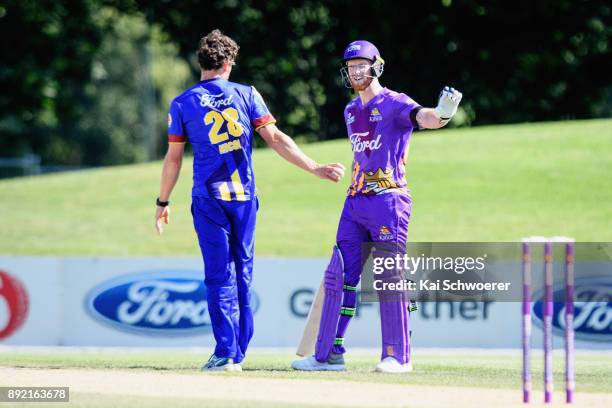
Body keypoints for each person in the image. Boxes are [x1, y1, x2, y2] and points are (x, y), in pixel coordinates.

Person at [155, 29, 345, 371]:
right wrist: (314, 167)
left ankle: (225, 353)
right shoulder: (247, 94)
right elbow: (275, 138)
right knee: (243, 273)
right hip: (244, 198)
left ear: (201, 63)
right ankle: (239, 353)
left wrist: (162, 202)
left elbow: (173, 159)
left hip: (208, 199)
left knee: (218, 275)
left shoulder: (183, 103)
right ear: (228, 64)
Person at [291, 40, 462, 373]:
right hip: (355, 201)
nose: (355, 71)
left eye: (361, 65)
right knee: (338, 275)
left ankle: (397, 356)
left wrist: (442, 113)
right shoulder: (350, 110)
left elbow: (422, 117)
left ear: (376, 66)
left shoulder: (395, 102)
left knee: (388, 276)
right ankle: (329, 354)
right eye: (350, 66)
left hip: (389, 199)